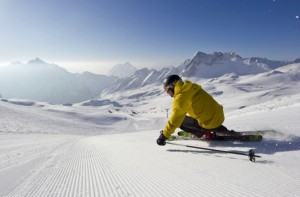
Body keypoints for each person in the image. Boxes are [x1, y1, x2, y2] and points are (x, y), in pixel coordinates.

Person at [157, 74, 237, 146]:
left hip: (209, 124)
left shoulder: (180, 98)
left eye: (167, 90)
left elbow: (174, 121)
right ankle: (220, 129)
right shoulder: (191, 86)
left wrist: (163, 136)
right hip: (219, 116)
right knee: (197, 114)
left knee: (180, 120)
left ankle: (202, 133)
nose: (168, 93)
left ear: (172, 87)